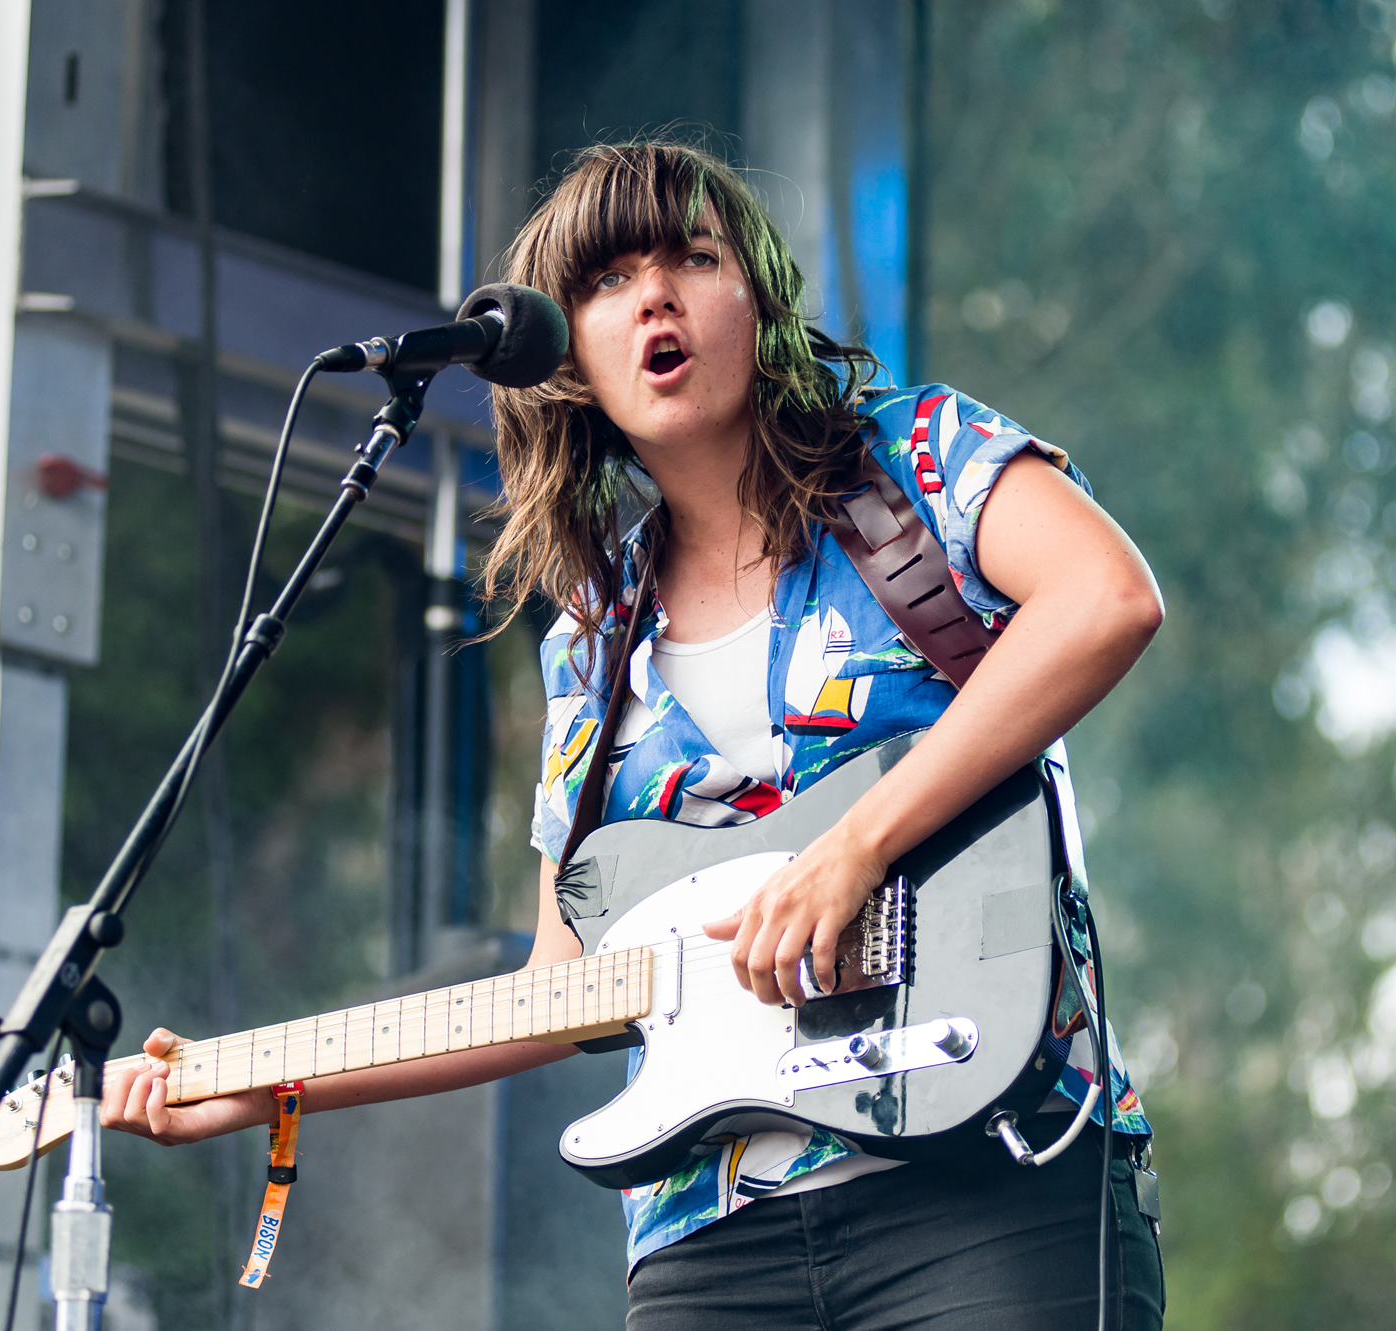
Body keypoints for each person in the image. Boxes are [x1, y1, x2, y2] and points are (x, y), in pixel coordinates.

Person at [102, 140, 1166, 1329]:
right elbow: (554, 989)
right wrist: (257, 1083)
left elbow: (1105, 599)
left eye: (690, 258)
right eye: (606, 282)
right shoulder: (593, 635)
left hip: (991, 1180)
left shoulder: (914, 458)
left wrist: (857, 845)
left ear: (757, 303)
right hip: (710, 1244)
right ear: (569, 363)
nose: (652, 294)